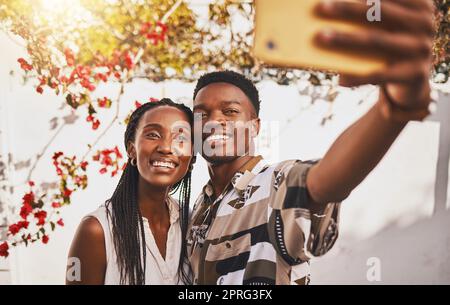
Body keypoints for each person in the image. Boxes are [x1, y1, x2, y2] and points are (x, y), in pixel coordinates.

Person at [187, 0, 435, 285]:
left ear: (255, 126)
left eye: (230, 112)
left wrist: (393, 108)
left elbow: (324, 181)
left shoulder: (275, 183)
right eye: (201, 114)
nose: (214, 121)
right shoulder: (198, 208)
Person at [67, 99, 194, 285]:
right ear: (131, 149)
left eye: (181, 138)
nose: (166, 148)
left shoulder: (192, 222)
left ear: (192, 156)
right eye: (152, 135)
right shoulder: (96, 231)